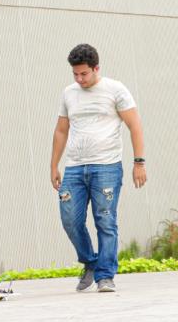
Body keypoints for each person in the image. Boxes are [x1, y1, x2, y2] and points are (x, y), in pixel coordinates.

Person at [51, 43, 146, 293]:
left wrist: (139, 162)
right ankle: (90, 262)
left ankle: (105, 275)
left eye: (84, 73)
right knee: (70, 219)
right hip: (73, 168)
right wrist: (54, 165)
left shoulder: (115, 89)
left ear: (96, 68)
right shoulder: (68, 93)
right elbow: (61, 130)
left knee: (105, 220)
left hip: (106, 167)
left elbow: (135, 125)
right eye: (75, 74)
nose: (80, 79)